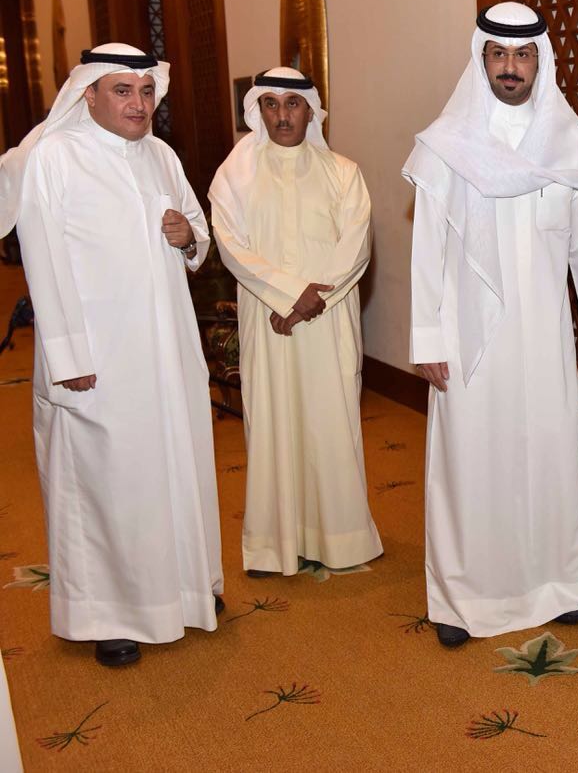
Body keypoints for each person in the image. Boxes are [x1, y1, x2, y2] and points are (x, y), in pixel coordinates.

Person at [14, 44, 224, 667]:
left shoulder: (161, 155)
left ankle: (185, 590)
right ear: (89, 94)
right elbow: (42, 258)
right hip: (96, 355)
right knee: (107, 477)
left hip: (167, 348)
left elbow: (197, 229)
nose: (139, 104)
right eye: (122, 91)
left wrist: (190, 238)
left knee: (174, 464)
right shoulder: (55, 157)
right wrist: (66, 356)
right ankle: (108, 615)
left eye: (146, 91)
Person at [403, 2, 578, 648]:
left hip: (543, 336)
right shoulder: (448, 144)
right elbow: (427, 249)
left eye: (523, 55)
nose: (511, 67)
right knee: (471, 462)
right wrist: (428, 336)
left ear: (541, 61)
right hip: (468, 335)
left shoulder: (569, 144)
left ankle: (556, 585)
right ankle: (463, 600)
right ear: (481, 59)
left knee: (547, 456)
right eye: (499, 54)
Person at [210, 67, 382, 577]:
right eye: (271, 104)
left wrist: (306, 302)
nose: (282, 116)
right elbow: (231, 245)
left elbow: (356, 245)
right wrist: (287, 295)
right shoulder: (234, 175)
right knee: (271, 423)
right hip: (266, 317)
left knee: (330, 420)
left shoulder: (343, 172)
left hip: (327, 317)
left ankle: (342, 539)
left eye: (293, 104)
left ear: (312, 111)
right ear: (257, 111)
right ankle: (273, 544)